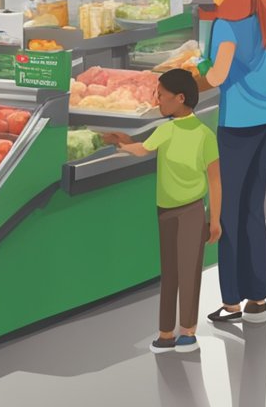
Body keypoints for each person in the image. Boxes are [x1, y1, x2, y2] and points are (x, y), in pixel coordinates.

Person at [104, 69, 222, 354]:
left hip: (192, 209)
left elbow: (215, 179)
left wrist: (215, 219)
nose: (157, 100)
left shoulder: (204, 135)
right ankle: (166, 332)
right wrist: (120, 142)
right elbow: (142, 150)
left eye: (161, 95)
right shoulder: (164, 130)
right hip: (165, 210)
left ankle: (188, 332)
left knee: (189, 271)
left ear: (180, 98)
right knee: (169, 272)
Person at [200, 0, 266, 326]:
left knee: (228, 211)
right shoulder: (264, 7)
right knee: (253, 207)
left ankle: (232, 301)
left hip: (238, 125)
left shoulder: (226, 22)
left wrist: (191, 69)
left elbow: (217, 76)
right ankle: (258, 298)